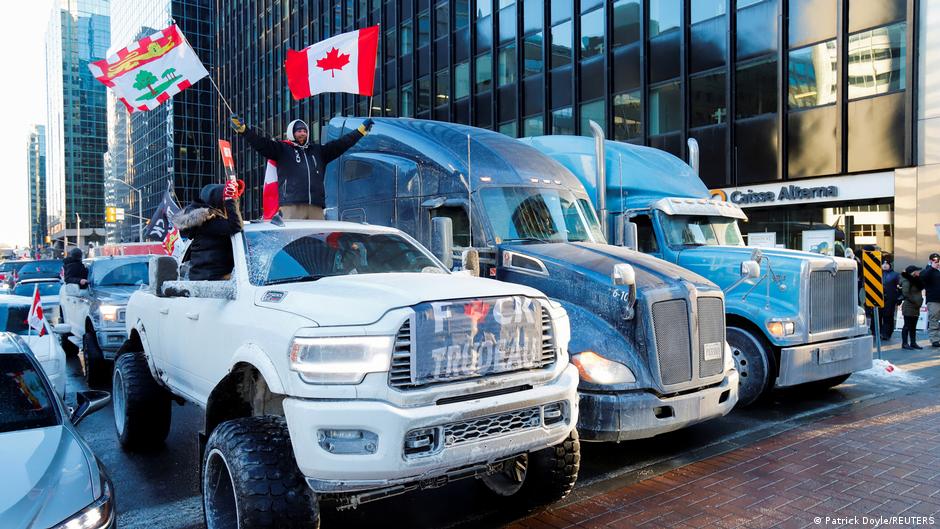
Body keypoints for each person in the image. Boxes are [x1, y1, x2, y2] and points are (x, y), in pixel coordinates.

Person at [230, 115, 373, 220]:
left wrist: (359, 132)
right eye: (298, 131)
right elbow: (260, 143)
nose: (302, 133)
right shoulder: (281, 149)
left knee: (317, 244)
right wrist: (244, 130)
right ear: (292, 132)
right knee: (291, 243)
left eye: (304, 131)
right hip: (291, 206)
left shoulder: (318, 152)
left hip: (316, 208)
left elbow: (342, 144)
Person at [175, 183, 243, 281]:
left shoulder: (210, 221)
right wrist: (230, 200)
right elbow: (236, 226)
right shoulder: (207, 222)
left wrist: (232, 199)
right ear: (218, 202)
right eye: (224, 201)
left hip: (210, 278)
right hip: (211, 282)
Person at [900, 265, 924, 350]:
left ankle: (913, 343)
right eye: (917, 271)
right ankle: (905, 343)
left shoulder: (915, 280)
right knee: (907, 325)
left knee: (913, 326)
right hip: (909, 306)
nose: (919, 272)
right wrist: (915, 301)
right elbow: (906, 293)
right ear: (913, 272)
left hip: (915, 307)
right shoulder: (907, 281)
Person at [879, 257, 900, 341]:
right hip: (879, 298)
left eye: (886, 263)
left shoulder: (895, 275)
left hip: (890, 299)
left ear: (890, 265)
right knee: (878, 316)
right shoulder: (876, 273)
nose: (884, 265)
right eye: (883, 263)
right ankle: (878, 332)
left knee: (888, 316)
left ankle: (886, 333)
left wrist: (899, 298)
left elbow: (899, 287)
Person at [923, 252, 940, 347]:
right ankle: (934, 340)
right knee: (934, 320)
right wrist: (932, 267)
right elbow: (923, 277)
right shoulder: (927, 270)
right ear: (930, 261)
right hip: (933, 300)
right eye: (934, 260)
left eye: (937, 260)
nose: (936, 262)